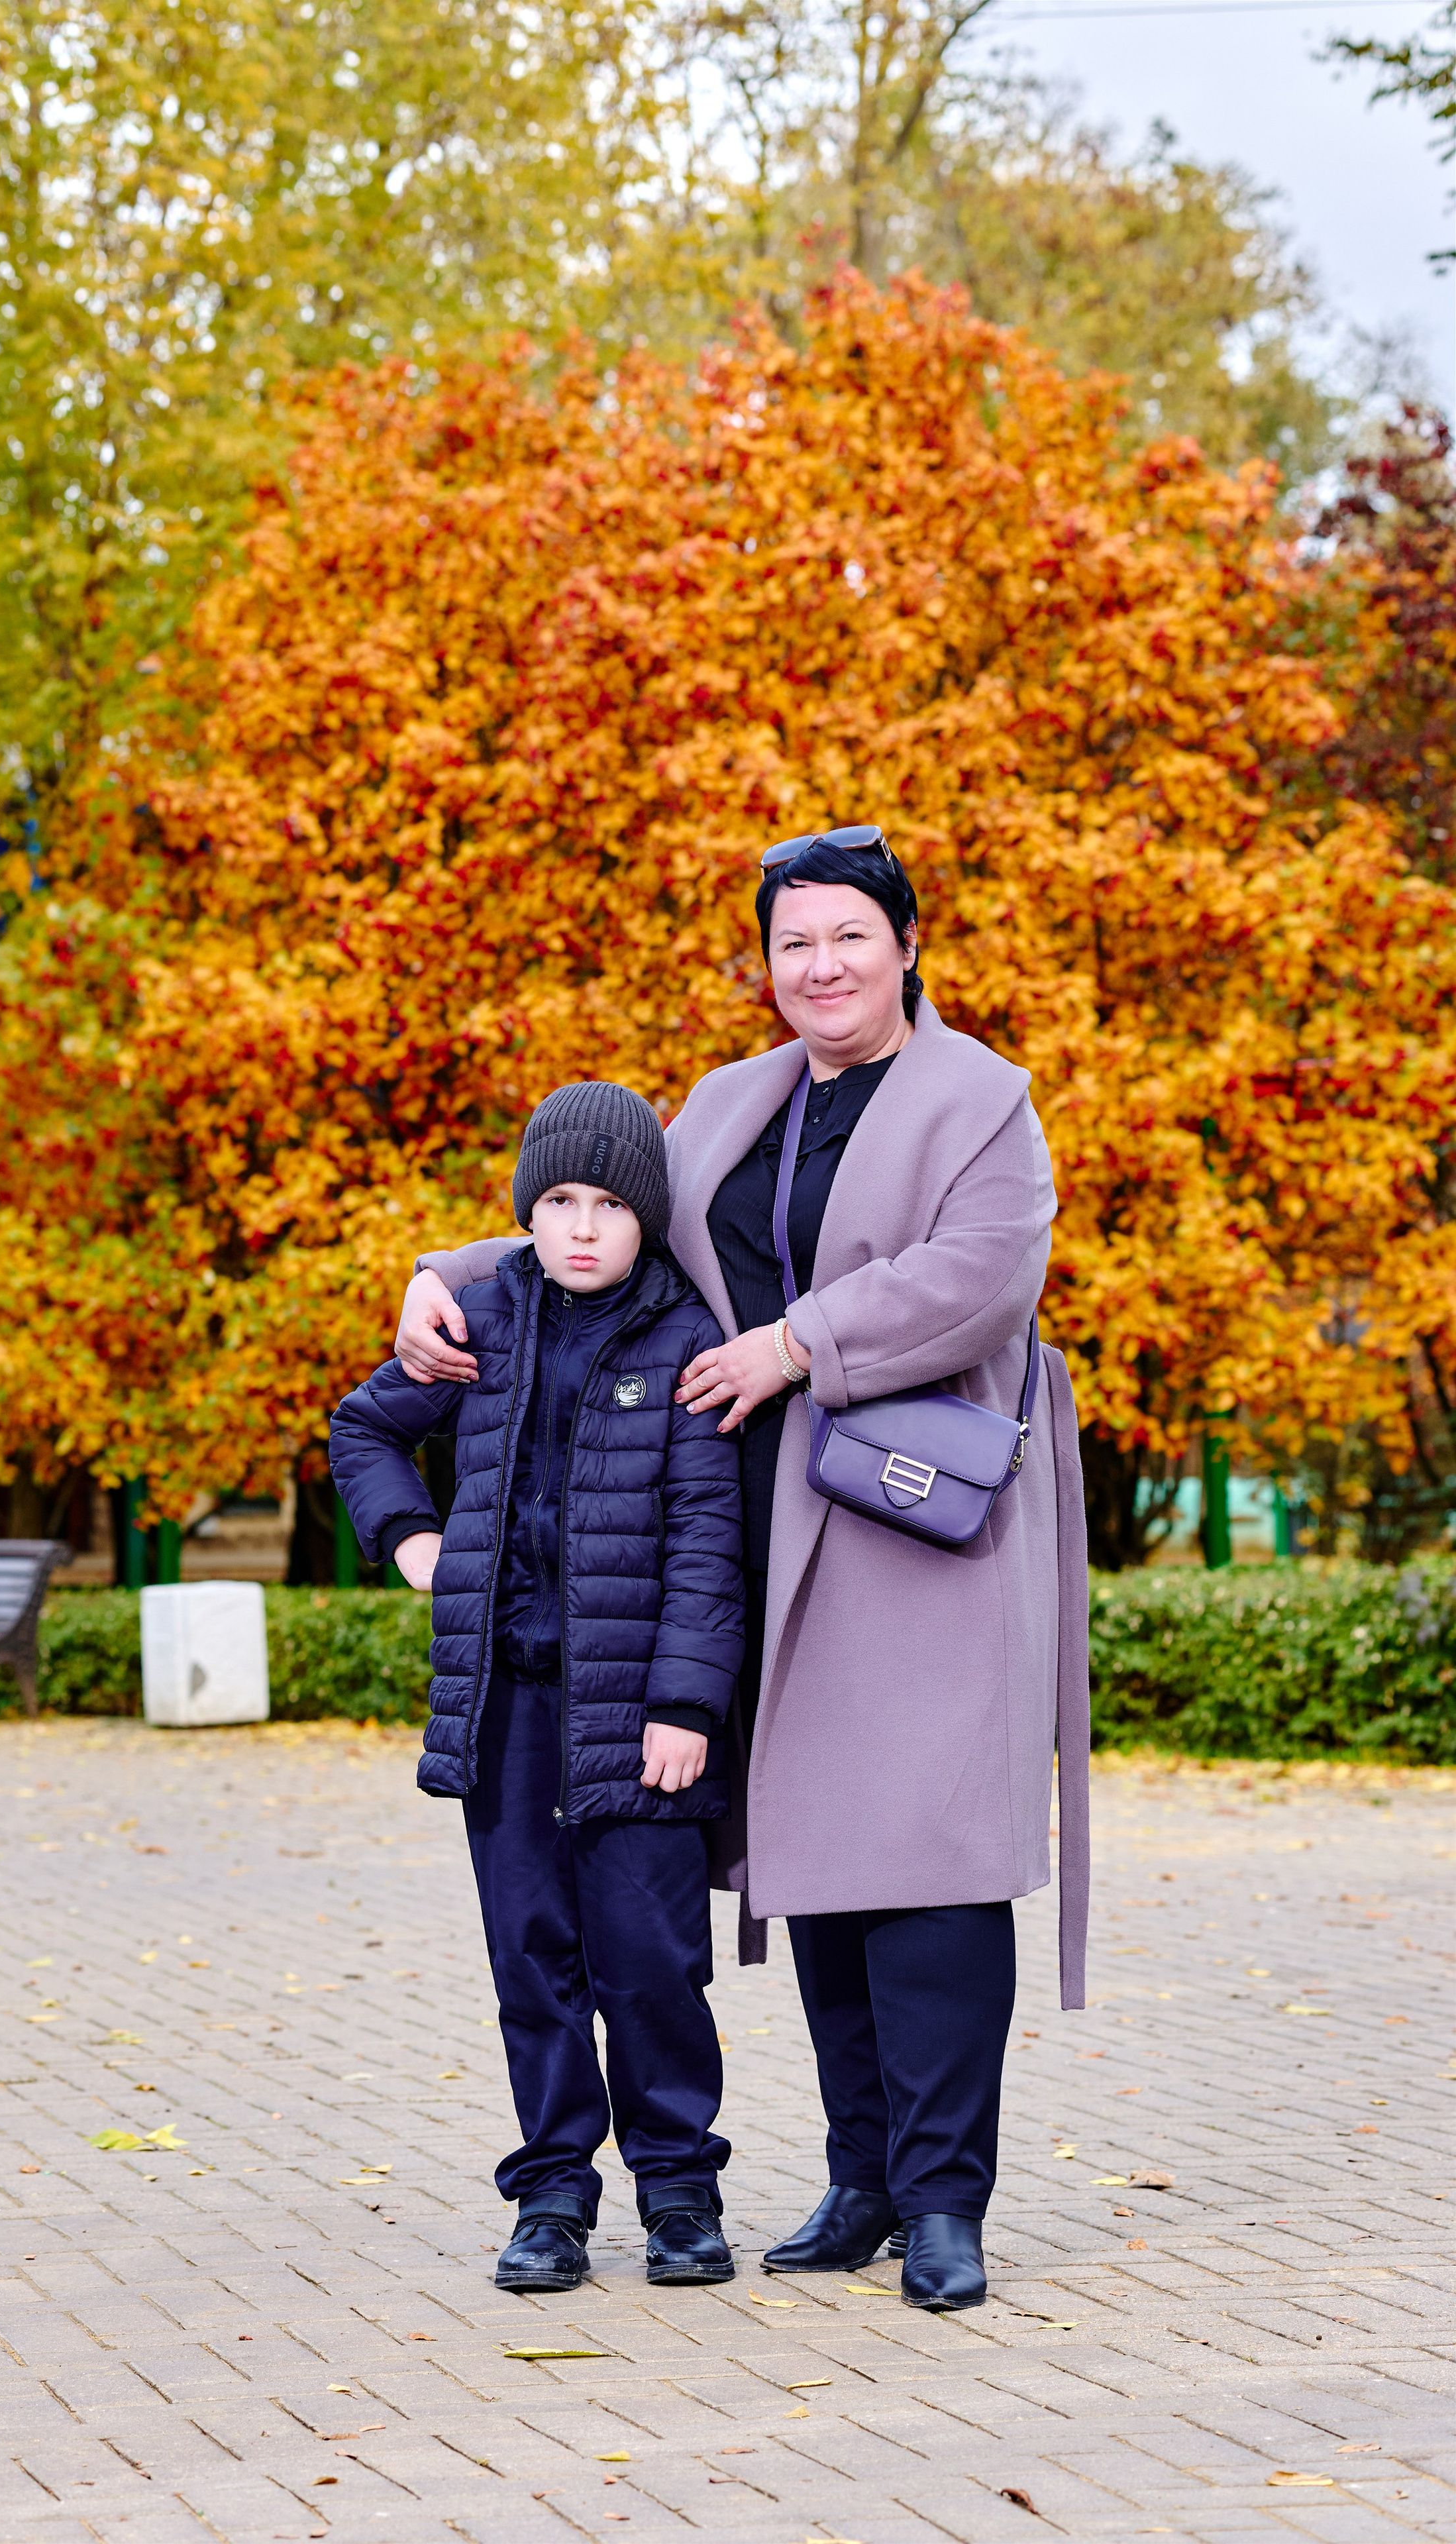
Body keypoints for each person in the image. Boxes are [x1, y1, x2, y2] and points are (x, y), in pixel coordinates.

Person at [391, 827, 1090, 2314]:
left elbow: (980, 1279)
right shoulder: (727, 1104)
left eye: (847, 936)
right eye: (792, 943)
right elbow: (600, 1233)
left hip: (918, 1529)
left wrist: (792, 1345)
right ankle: (860, 2179)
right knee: (823, 1862)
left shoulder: (981, 1104)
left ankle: (946, 2197)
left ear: (905, 943)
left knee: (933, 1865)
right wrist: (440, 1276)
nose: (819, 966)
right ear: (764, 964)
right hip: (767, 1533)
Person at [328, 1081, 746, 2295]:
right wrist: (414, 1538)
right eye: (558, 1201)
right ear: (526, 1211)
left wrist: (685, 1704)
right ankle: (553, 2193)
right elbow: (363, 1429)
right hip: (506, 1708)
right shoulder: (483, 1320)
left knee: (652, 1960)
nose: (580, 1227)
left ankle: (680, 2190)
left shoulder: (682, 1340)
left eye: (609, 1206)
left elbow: (706, 1542)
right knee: (533, 1955)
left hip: (634, 1716)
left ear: (645, 1221)